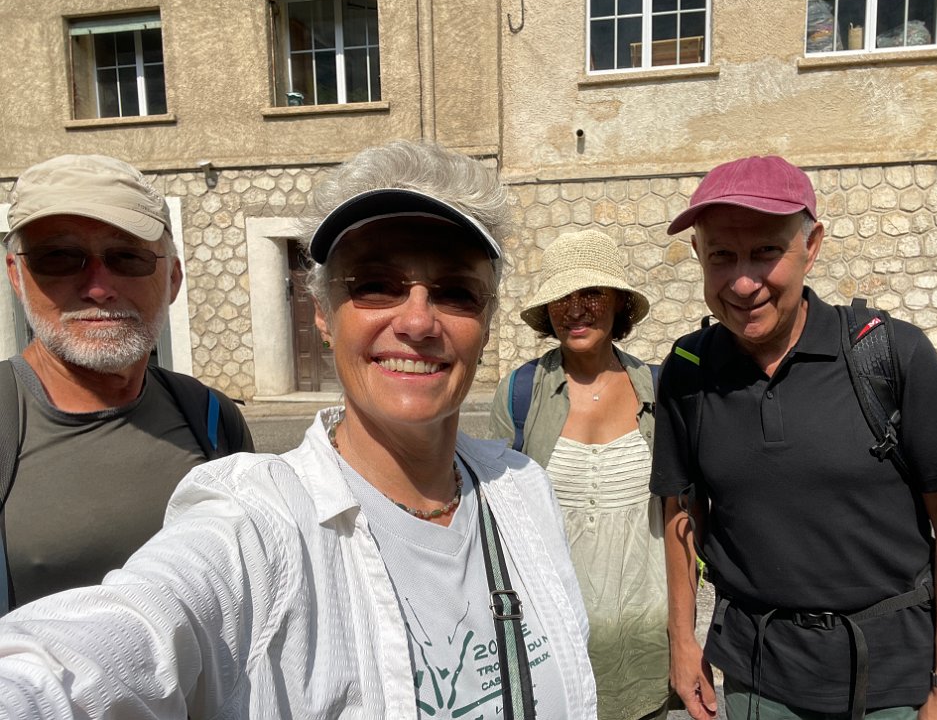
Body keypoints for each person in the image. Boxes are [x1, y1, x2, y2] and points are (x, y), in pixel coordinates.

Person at [0, 140, 597, 719]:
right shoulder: (258, 524)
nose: (417, 321)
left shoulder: (523, 489)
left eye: (457, 293)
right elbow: (100, 651)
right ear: (322, 315)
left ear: (486, 323)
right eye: (374, 285)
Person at [650, 155, 937, 720]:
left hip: (894, 689)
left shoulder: (892, 354)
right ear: (698, 255)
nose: (743, 283)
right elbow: (681, 512)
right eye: (721, 256)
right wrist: (682, 641)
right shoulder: (688, 370)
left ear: (811, 246)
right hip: (758, 685)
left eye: (766, 251)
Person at [0, 154, 253, 611]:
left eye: (128, 257)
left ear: (173, 278)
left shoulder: (212, 417)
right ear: (17, 276)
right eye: (58, 257)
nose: (98, 288)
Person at [490, 229, 673, 720]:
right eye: (561, 298)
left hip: (645, 636)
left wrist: (684, 636)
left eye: (590, 294)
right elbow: (499, 522)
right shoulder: (520, 393)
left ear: (619, 303)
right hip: (553, 637)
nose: (575, 311)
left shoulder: (659, 391)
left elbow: (681, 519)